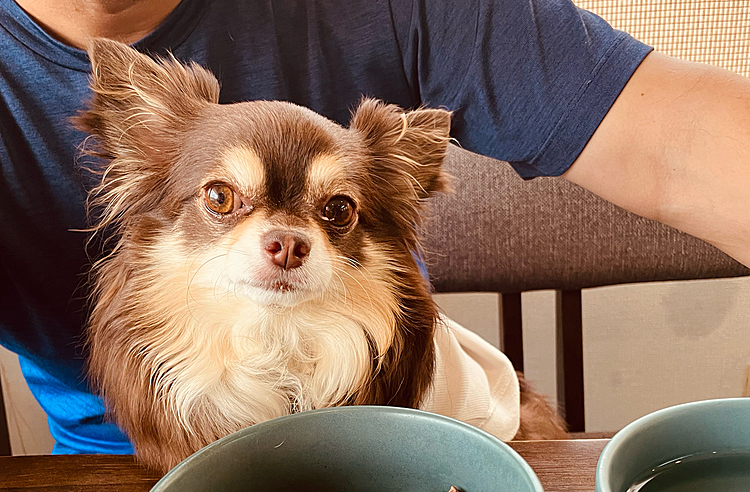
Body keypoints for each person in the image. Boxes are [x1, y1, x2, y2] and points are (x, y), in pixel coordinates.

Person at [1, 0, 748, 455]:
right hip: (114, 466)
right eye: (225, 199)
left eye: (335, 212)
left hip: (412, 440)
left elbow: (679, 144)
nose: (284, 238)